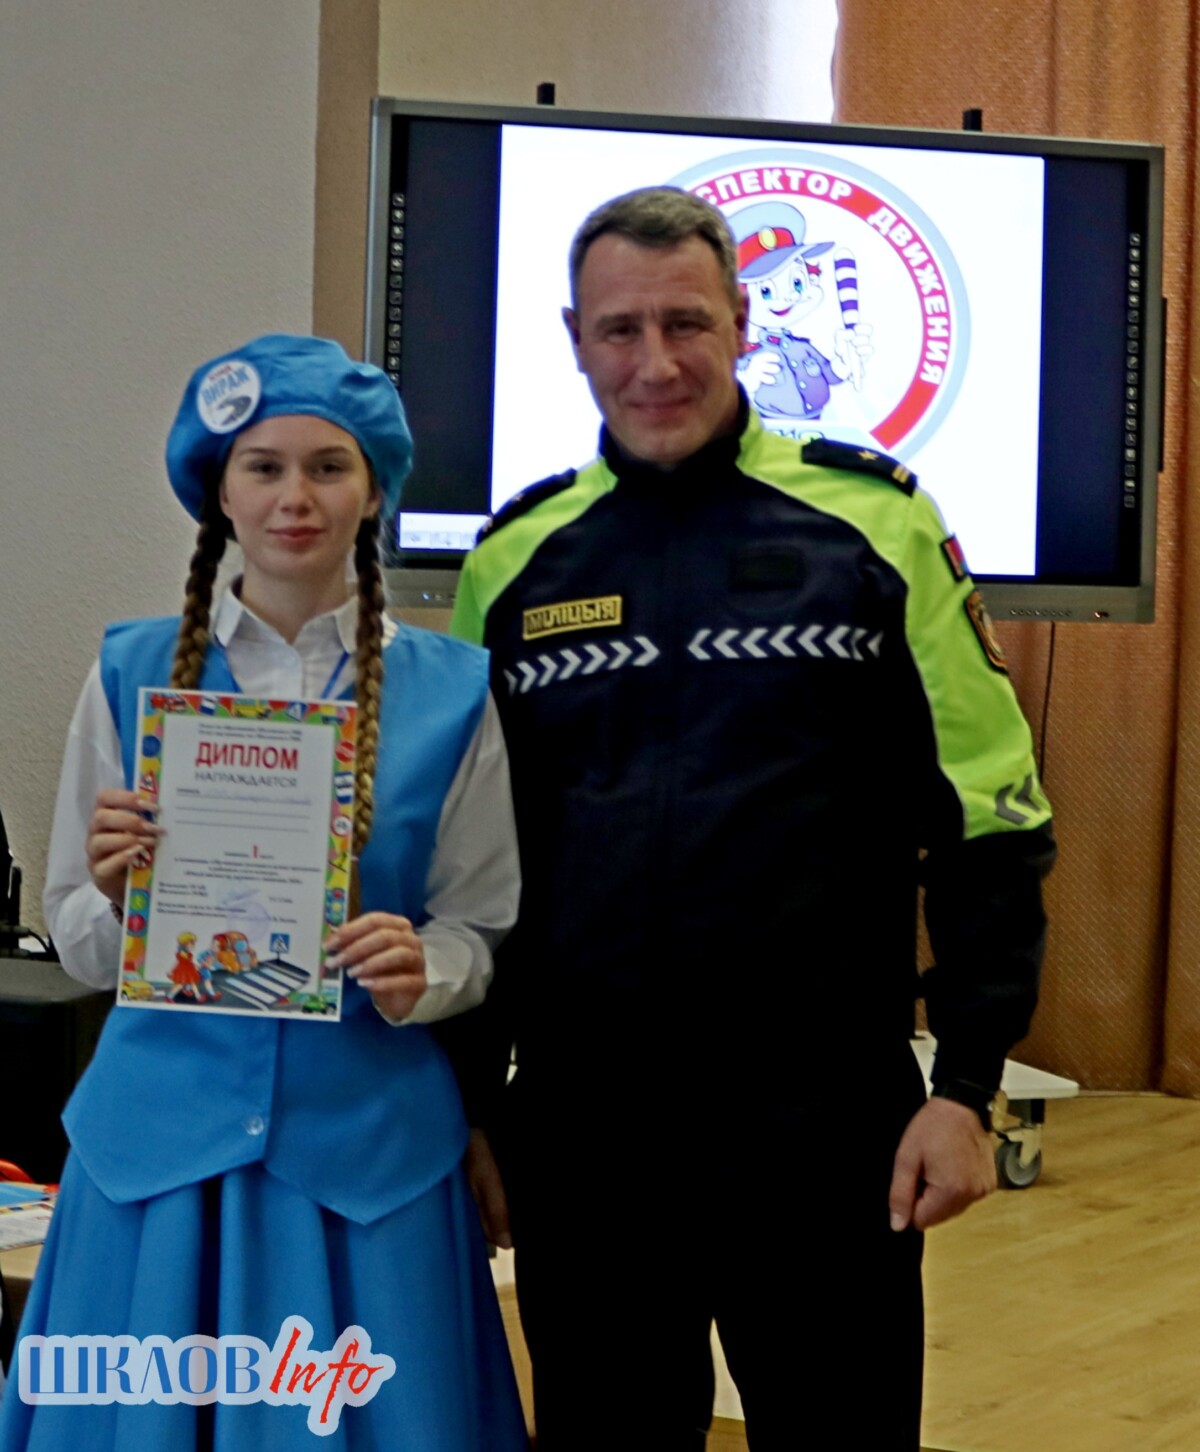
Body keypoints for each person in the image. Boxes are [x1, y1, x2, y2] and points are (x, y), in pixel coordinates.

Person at [445, 188, 1055, 1450]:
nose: (655, 363)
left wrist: (970, 1087)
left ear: (739, 323)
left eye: (686, 323)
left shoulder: (877, 525)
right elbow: (472, 870)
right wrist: (471, 1111)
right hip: (587, 1137)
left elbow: (992, 816)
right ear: (574, 339)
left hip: (824, 1130)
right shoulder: (513, 563)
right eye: (620, 330)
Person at [0, 335, 529, 1451]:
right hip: (159, 1168)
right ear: (220, 492)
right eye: (265, 467)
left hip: (368, 1165)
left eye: (329, 467)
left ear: (374, 489)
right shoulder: (129, 672)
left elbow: (481, 923)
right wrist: (117, 897)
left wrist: (425, 970)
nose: (297, 497)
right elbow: (78, 936)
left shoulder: (452, 691)